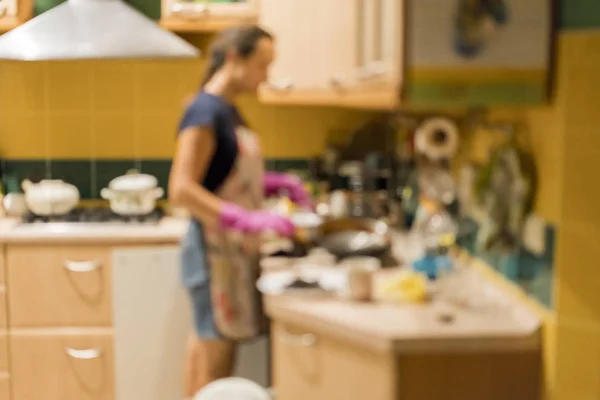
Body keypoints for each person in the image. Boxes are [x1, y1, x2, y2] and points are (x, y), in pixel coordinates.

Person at [168, 25, 312, 397]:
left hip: (228, 251)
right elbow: (182, 188)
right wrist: (242, 218)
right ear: (235, 59)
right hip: (211, 251)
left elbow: (226, 175)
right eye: (263, 65)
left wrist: (275, 184)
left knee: (217, 352)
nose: (267, 75)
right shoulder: (204, 111)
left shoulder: (226, 112)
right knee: (211, 358)